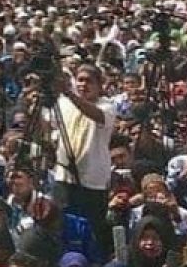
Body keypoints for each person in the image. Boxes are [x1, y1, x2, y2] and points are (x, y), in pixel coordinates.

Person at [50, 64, 115, 261]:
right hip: (64, 177)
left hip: (92, 181)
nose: (83, 84)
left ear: (99, 85)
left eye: (89, 81)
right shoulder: (63, 103)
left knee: (92, 229)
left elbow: (94, 114)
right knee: (61, 226)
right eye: (80, 80)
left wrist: (69, 94)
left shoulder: (107, 106)